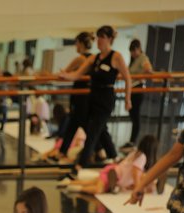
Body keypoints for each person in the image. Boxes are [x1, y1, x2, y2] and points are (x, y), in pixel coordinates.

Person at [58, 26, 132, 179]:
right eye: (98, 37)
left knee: (92, 132)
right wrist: (65, 75)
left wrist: (127, 98)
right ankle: (115, 157)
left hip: (106, 99)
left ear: (110, 39)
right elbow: (77, 74)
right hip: (92, 97)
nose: (99, 41)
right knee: (101, 130)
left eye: (102, 37)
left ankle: (78, 167)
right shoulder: (94, 58)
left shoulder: (116, 57)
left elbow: (127, 78)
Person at [62, 134, 158, 195]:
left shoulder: (136, 153)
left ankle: (68, 182)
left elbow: (130, 172)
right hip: (113, 174)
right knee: (98, 189)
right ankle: (75, 188)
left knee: (91, 182)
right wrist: (138, 189)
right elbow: (135, 174)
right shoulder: (142, 157)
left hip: (113, 172)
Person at [53, 33, 95, 162]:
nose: (75, 46)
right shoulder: (93, 58)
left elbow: (65, 73)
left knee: (78, 124)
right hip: (87, 96)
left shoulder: (80, 59)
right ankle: (64, 151)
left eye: (76, 43)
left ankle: (97, 150)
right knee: (78, 124)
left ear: (81, 44)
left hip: (80, 97)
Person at [121, 39, 153, 150]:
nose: (133, 53)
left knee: (135, 116)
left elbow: (148, 70)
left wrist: (140, 78)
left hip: (138, 88)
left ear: (139, 49)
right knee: (133, 115)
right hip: (132, 89)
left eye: (135, 50)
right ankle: (131, 141)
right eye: (132, 51)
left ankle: (132, 141)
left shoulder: (143, 58)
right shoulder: (134, 60)